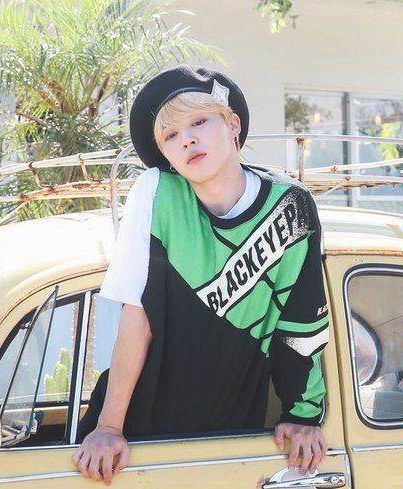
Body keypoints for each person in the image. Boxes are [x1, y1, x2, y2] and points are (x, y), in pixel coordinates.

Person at [73, 66, 330, 484]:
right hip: (134, 436)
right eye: (170, 135)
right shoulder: (156, 192)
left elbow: (301, 319)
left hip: (230, 436)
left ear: (233, 125)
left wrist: (303, 416)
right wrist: (108, 427)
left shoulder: (291, 206)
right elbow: (137, 317)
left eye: (198, 122)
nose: (186, 139)